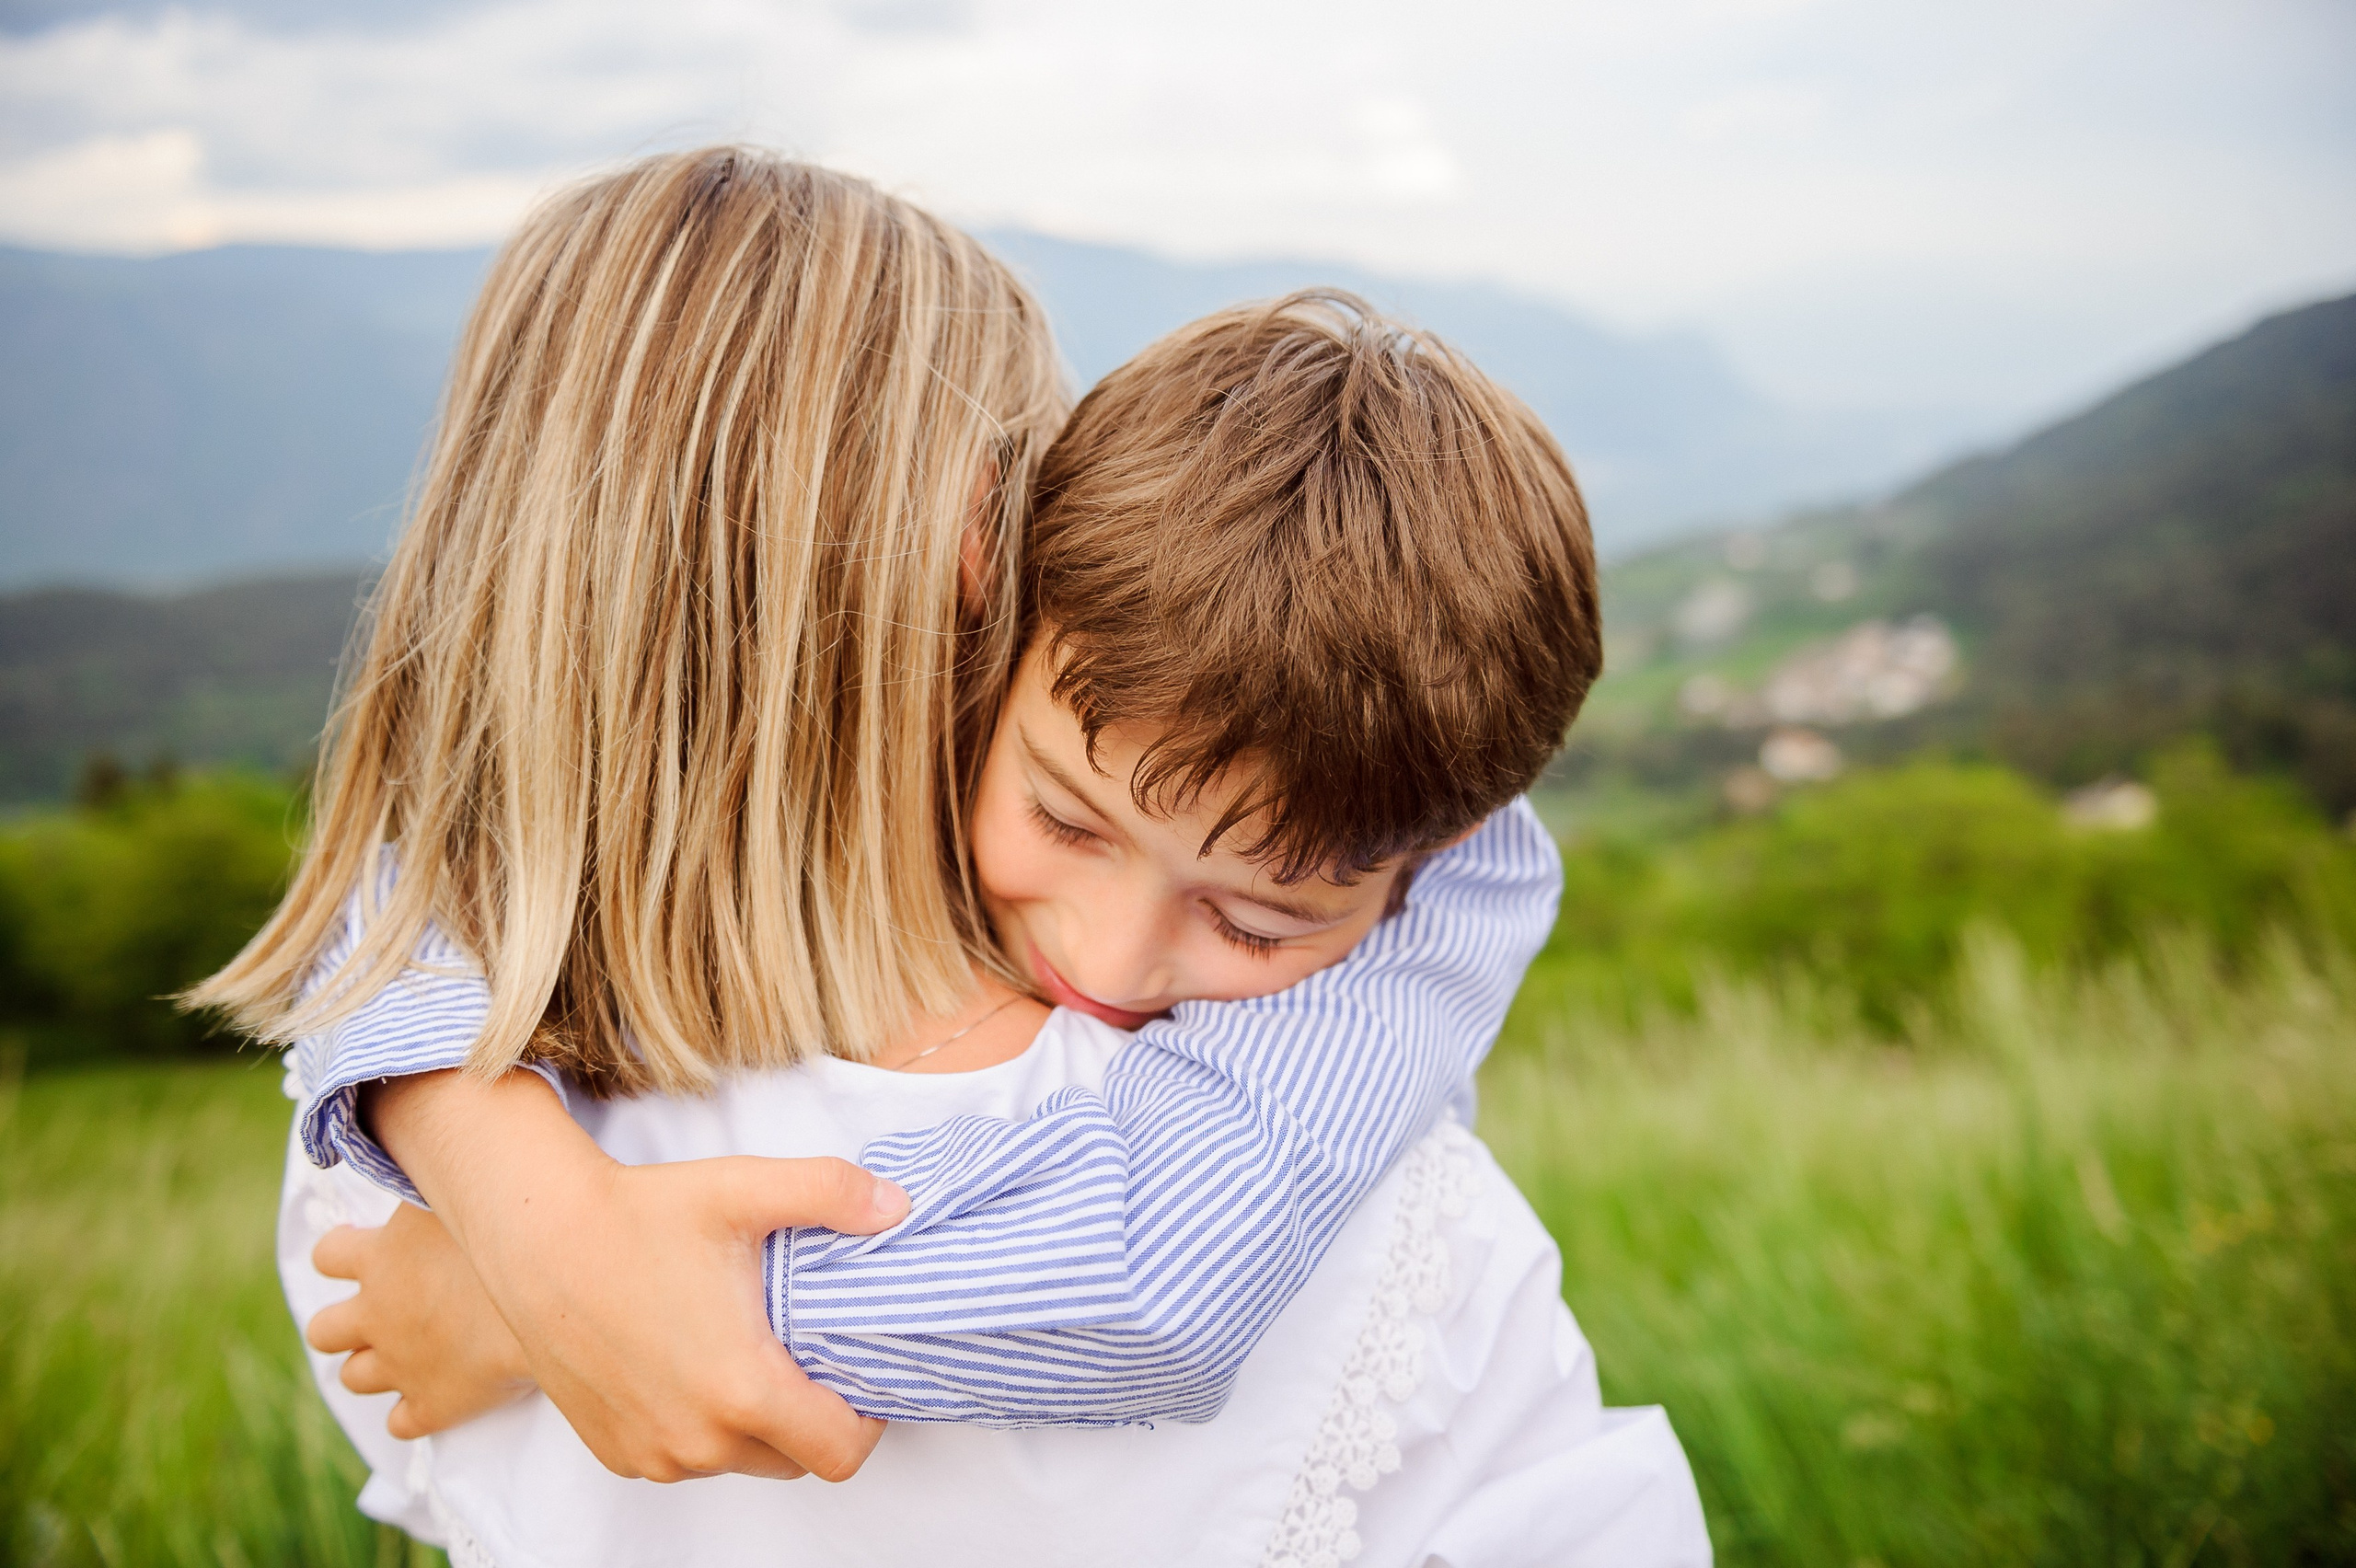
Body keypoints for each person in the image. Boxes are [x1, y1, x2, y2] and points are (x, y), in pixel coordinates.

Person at [191, 146, 1581, 1481]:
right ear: (992, 565)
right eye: (1069, 818)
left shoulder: (370, 1197)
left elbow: (412, 869)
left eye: (1255, 915)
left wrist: (536, 1296)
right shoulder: (1373, 1236)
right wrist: (547, 1255)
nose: (1106, 965)